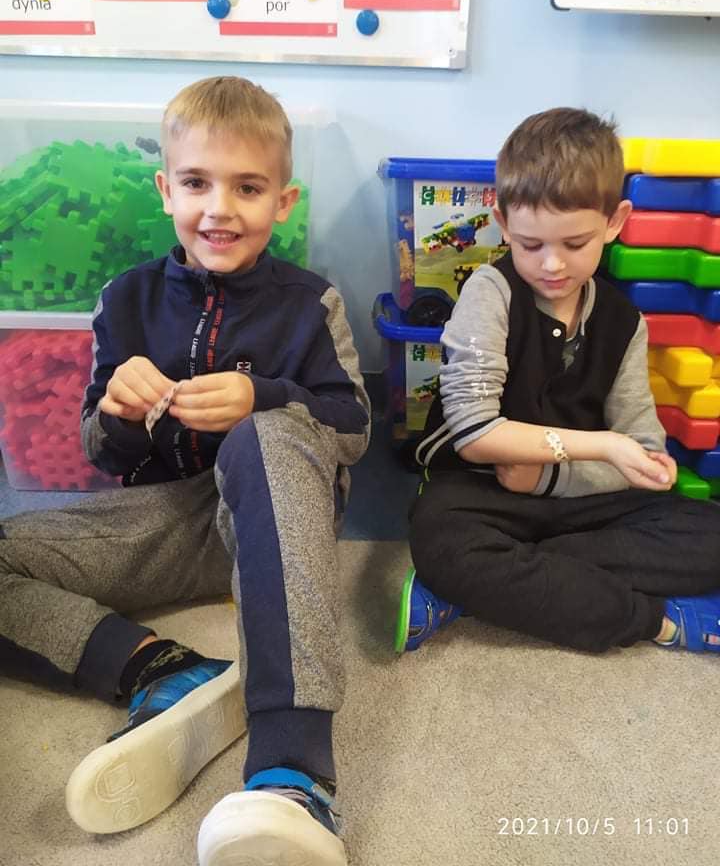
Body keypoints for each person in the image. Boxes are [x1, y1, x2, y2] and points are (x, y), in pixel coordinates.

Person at [0, 76, 369, 866]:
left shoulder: (312, 304)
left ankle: (293, 774)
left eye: (248, 188)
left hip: (280, 522)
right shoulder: (124, 300)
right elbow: (101, 454)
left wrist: (264, 397)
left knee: (268, 438)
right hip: (168, 519)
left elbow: (354, 427)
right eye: (197, 183)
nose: (218, 209)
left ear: (283, 202)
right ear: (166, 190)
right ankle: (161, 670)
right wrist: (117, 415)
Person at [395, 106, 720, 659]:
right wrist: (605, 447)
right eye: (530, 245)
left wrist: (552, 477)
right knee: (443, 541)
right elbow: (475, 435)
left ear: (615, 222)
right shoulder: (489, 293)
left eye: (574, 244)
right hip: (480, 492)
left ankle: (476, 592)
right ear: (502, 223)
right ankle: (656, 619)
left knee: (710, 535)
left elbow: (642, 454)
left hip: (576, 498)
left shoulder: (623, 322)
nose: (552, 265)